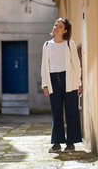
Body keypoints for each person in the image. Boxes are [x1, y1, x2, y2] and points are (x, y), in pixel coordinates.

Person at [41, 17, 82, 153]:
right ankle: (57, 142)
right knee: (56, 112)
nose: (56, 28)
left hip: (69, 79)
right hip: (53, 80)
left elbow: (76, 65)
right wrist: (45, 84)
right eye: (55, 25)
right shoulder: (47, 45)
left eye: (59, 26)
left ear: (65, 31)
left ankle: (71, 142)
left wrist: (79, 83)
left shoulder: (70, 44)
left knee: (71, 111)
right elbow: (44, 66)